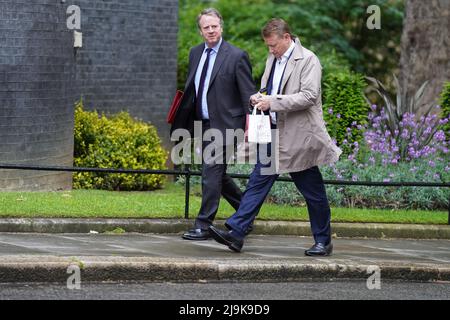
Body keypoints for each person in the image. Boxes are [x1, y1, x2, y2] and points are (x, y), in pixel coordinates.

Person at [208, 18, 342, 256]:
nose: (270, 50)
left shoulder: (308, 60)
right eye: (268, 46)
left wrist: (273, 102)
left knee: (312, 191)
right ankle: (236, 233)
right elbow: (271, 89)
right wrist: (259, 96)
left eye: (274, 46)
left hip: (298, 137)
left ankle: (323, 240)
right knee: (257, 184)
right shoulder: (274, 58)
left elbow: (309, 96)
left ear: (287, 38)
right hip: (272, 134)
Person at [171, 8, 256, 240]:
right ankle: (245, 214)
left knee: (210, 171)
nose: (211, 30)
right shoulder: (195, 53)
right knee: (218, 173)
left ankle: (203, 224)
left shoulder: (237, 56)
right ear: (200, 31)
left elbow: (249, 94)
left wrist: (251, 128)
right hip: (204, 124)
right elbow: (193, 88)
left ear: (221, 27)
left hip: (229, 124)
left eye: (214, 26)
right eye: (206, 27)